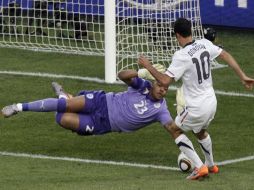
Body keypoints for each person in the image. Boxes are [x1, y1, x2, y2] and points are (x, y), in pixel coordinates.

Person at [138, 18, 254, 180]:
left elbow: (165, 81)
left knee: (174, 128)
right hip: (211, 102)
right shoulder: (204, 44)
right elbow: (225, 54)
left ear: (177, 35)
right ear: (191, 31)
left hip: (197, 107)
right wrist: (242, 76)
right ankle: (211, 165)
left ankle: (200, 167)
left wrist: (148, 66)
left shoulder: (181, 55)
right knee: (200, 131)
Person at [1, 69, 174, 137]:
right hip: (101, 102)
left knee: (62, 118)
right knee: (64, 107)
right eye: (160, 85)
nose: (162, 90)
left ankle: (64, 96)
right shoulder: (142, 86)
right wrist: (141, 71)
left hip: (103, 124)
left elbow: (172, 127)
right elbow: (122, 75)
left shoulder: (162, 110)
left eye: (166, 89)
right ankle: (17, 107)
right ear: (154, 83)